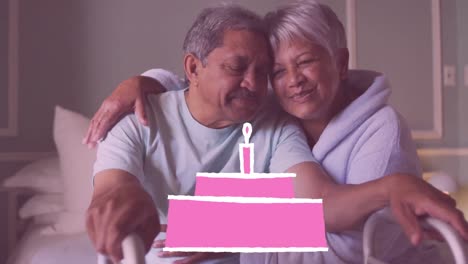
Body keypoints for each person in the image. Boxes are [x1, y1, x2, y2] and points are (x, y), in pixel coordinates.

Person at [85, 2, 468, 264]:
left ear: (340, 62)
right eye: (278, 72)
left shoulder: (368, 133)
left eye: (304, 63)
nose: (286, 82)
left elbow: (343, 235)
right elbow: (189, 100)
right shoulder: (266, 114)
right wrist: (143, 81)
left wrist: (219, 228)